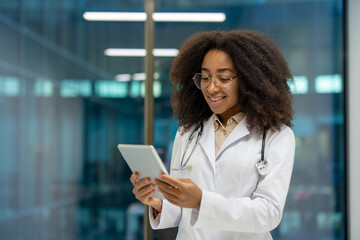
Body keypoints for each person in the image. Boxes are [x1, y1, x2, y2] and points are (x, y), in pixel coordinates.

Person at [130, 29, 296, 240]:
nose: (211, 88)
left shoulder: (277, 136)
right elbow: (181, 209)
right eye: (205, 78)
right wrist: (156, 201)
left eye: (224, 78)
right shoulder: (187, 133)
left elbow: (269, 213)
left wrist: (201, 201)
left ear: (249, 80)